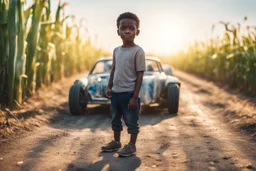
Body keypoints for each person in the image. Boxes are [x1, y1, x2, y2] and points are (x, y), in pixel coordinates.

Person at [101, 12, 146, 157]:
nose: (127, 31)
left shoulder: (138, 51)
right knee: (115, 119)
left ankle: (132, 145)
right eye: (123, 28)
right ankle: (116, 142)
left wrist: (135, 97)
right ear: (118, 31)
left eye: (131, 28)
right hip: (116, 93)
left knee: (131, 121)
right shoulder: (116, 51)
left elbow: (140, 75)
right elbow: (114, 69)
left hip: (129, 94)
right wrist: (109, 87)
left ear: (137, 32)